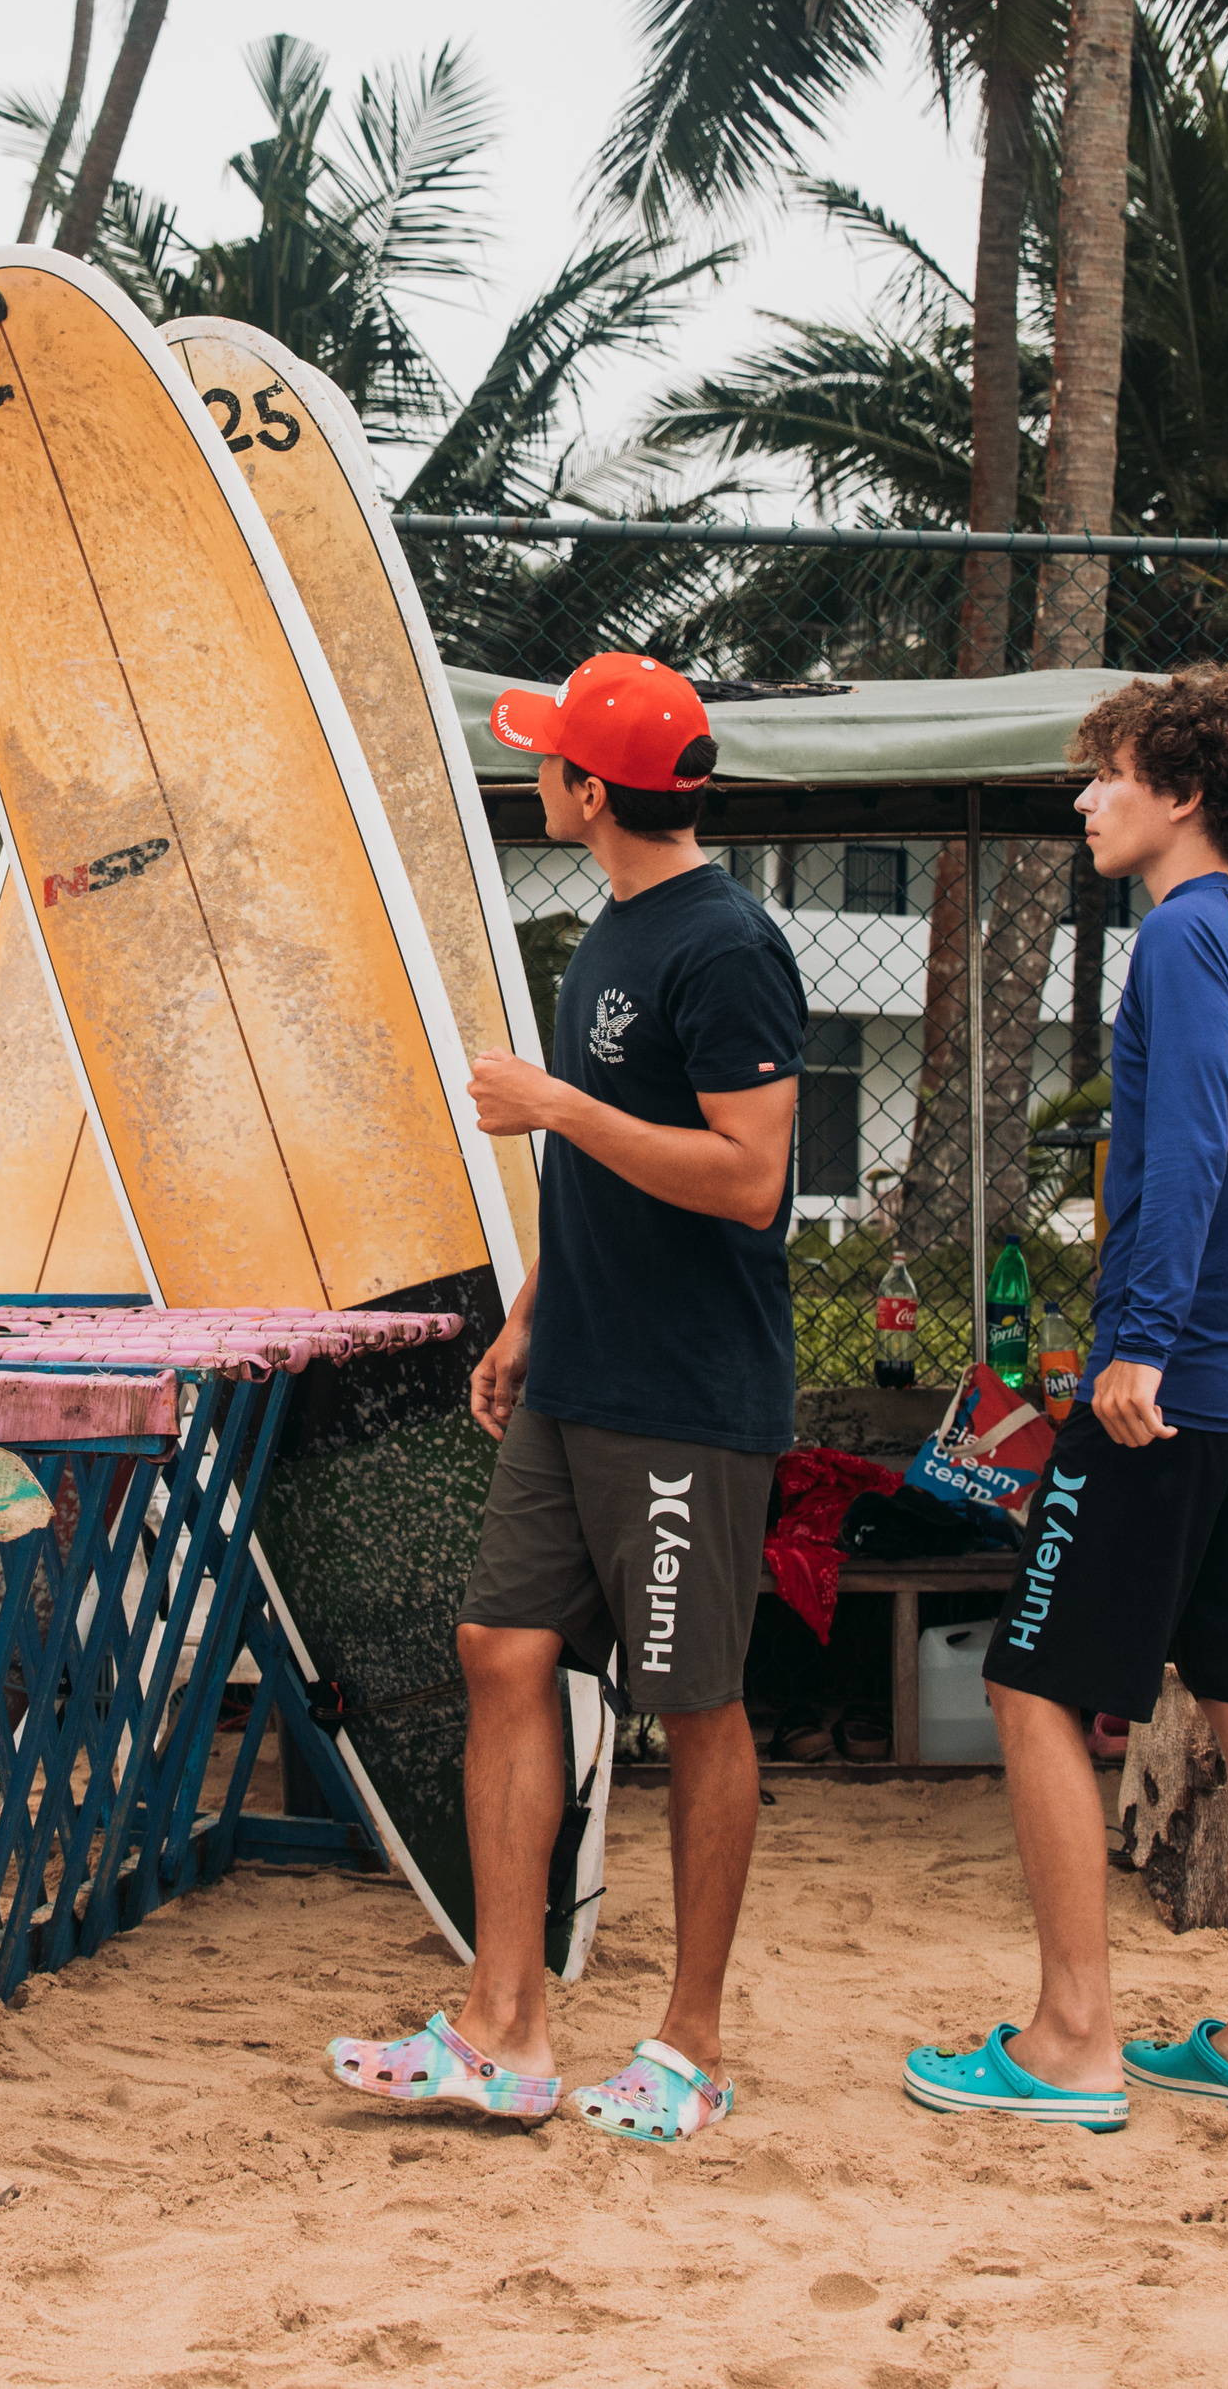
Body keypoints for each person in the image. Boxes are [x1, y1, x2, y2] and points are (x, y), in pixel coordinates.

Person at [325, 651, 805, 2144]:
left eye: (548, 757)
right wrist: (531, 1310)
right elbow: (599, 1167)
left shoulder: (724, 943)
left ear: (594, 790)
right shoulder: (616, 920)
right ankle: (506, 2021)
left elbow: (752, 1178)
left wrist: (558, 1103)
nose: (532, 772)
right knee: (499, 1644)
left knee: (694, 1702)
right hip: (580, 1366)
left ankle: (693, 2043)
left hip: (685, 1393)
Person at [905, 667, 1228, 2134]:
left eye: (1106, 771)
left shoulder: (1179, 938)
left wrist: (1140, 1342)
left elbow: (1191, 1146)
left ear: (1184, 790)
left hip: (1166, 1390)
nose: (1085, 795)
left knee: (1033, 1685)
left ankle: (1072, 2039)